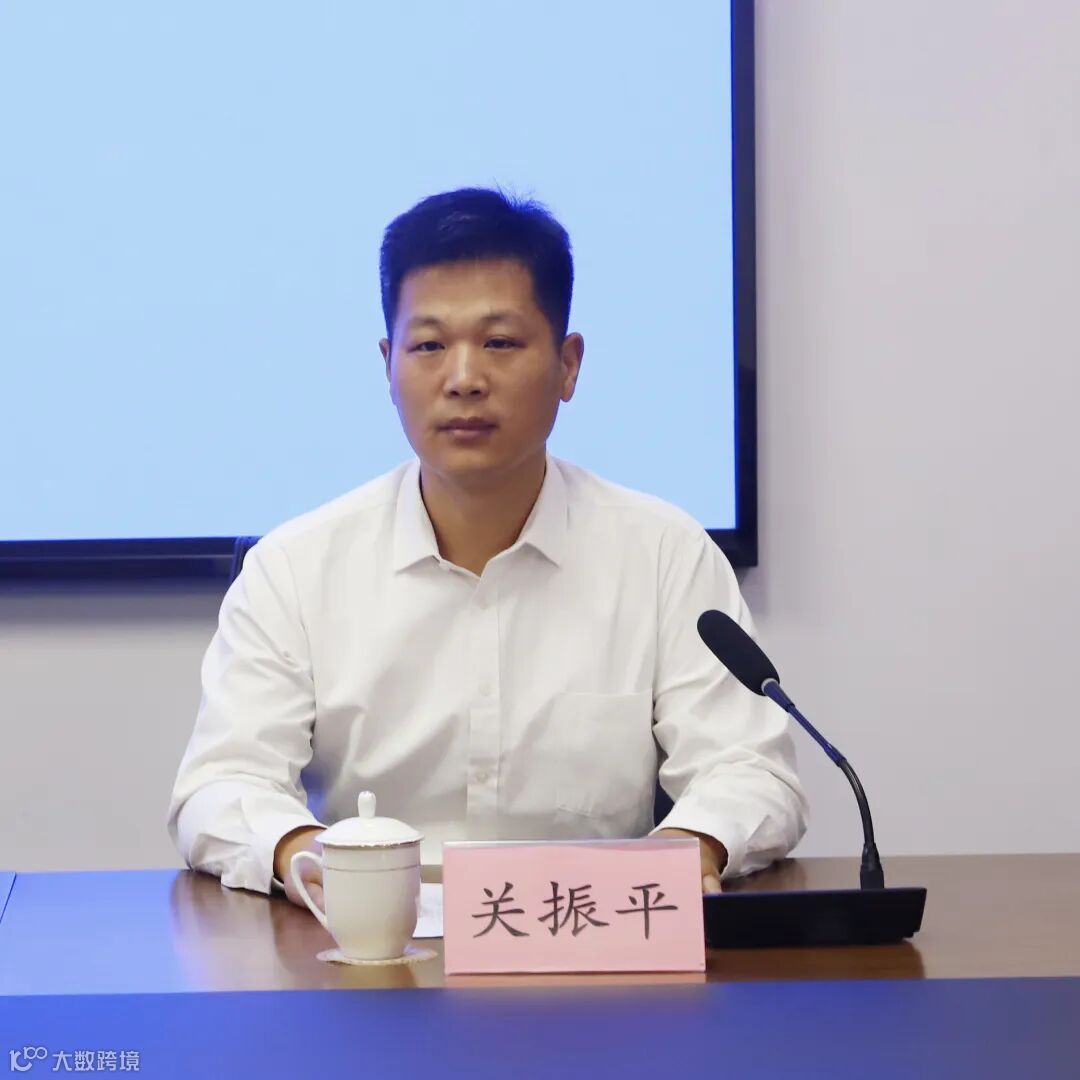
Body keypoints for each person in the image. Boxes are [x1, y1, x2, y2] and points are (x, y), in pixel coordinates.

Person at [167, 187, 807, 914]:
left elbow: (749, 770)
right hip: (370, 948)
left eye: (500, 343)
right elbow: (222, 783)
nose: (464, 379)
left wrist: (686, 850)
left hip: (593, 942)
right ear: (388, 364)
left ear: (568, 365)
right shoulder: (296, 568)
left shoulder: (664, 555)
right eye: (429, 346)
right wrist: (305, 854)